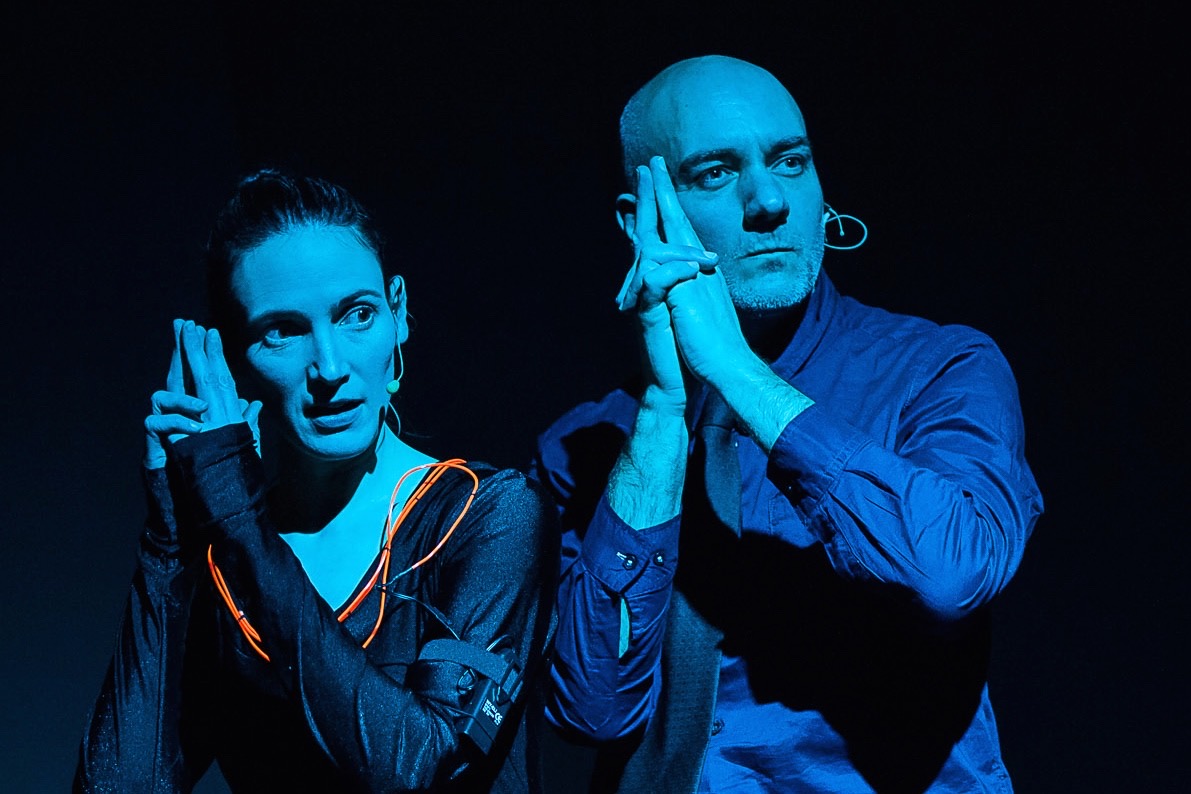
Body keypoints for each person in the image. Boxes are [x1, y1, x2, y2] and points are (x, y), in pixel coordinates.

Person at [534, 55, 1043, 793]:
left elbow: (950, 574)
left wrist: (738, 374)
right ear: (639, 221)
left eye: (790, 162)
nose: (769, 200)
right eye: (716, 173)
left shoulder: (940, 368)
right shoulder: (582, 448)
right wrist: (664, 414)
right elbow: (593, 710)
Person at [76, 170, 557, 792]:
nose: (329, 367)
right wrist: (169, 540)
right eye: (283, 331)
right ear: (230, 357)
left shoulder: (487, 515)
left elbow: (423, 771)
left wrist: (236, 514)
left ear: (398, 313)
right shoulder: (225, 557)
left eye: (357, 314)